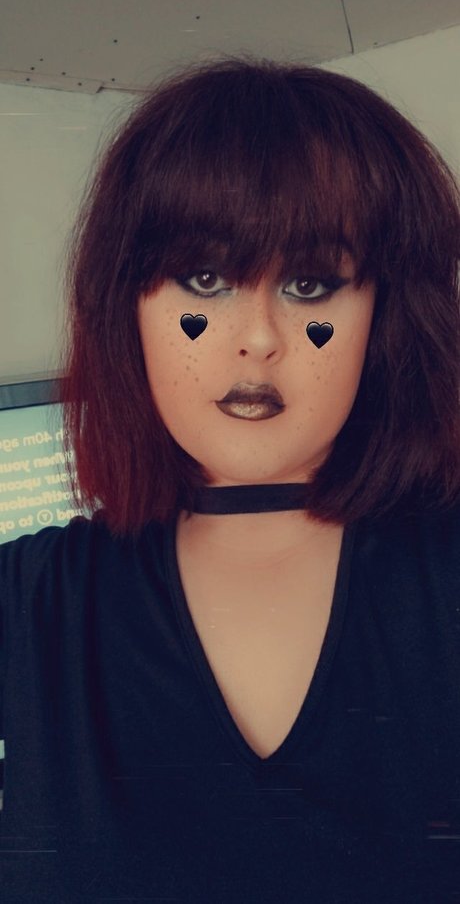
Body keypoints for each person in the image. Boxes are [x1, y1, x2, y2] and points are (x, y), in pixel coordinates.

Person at [1, 53, 459, 903]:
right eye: (204, 279)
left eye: (310, 284)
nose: (257, 337)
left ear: (385, 317)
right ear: (126, 305)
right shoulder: (31, 603)